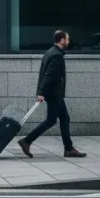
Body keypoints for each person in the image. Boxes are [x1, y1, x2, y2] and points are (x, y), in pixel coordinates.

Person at [17, 30, 86, 158]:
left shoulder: (50, 52)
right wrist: (42, 92)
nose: (69, 41)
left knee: (64, 119)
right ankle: (27, 141)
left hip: (55, 93)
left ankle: (69, 148)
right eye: (67, 39)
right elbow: (48, 75)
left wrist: (42, 91)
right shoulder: (56, 56)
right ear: (62, 40)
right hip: (54, 93)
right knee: (51, 120)